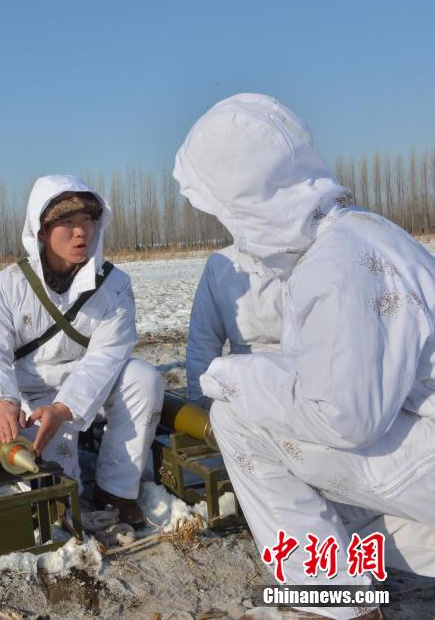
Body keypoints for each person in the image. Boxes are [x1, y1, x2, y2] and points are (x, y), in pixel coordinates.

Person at [173, 93, 435, 620]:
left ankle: (335, 598)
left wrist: (232, 377)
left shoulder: (335, 264)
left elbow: (343, 417)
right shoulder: (362, 232)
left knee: (239, 419)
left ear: (248, 198)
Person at [0, 174, 163, 526]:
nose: (80, 232)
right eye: (68, 222)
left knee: (143, 378)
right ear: (42, 230)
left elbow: (107, 356)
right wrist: (3, 402)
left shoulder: (115, 285)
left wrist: (64, 407)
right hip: (30, 392)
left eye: (87, 220)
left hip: (89, 388)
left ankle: (116, 489)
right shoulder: (10, 284)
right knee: (58, 496)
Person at [186, 245, 282, 403]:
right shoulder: (220, 264)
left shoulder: (308, 257)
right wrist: (199, 402)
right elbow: (203, 341)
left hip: (299, 375)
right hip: (241, 380)